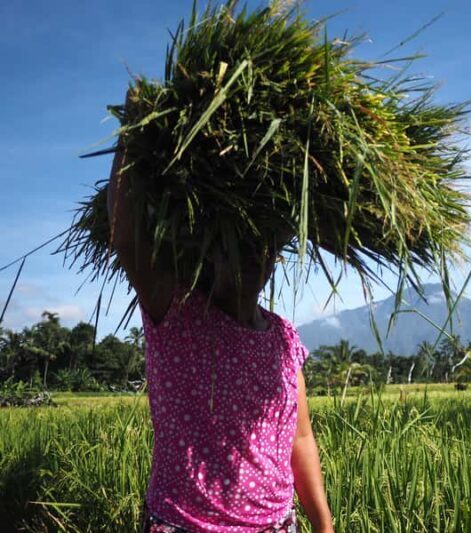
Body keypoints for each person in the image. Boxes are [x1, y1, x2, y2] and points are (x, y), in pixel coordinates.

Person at [107, 115, 334, 532]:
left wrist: (325, 526)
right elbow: (125, 234)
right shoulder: (177, 314)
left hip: (277, 526)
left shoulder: (283, 338)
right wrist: (136, 127)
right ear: (207, 249)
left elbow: (300, 438)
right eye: (235, 246)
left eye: (263, 246)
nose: (252, 258)